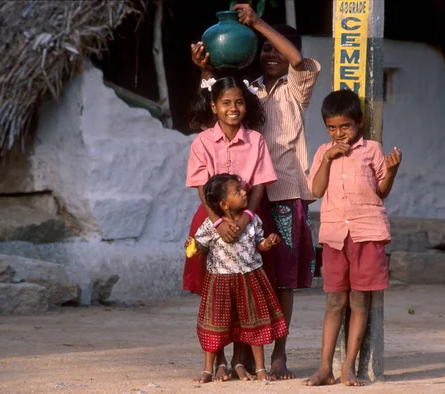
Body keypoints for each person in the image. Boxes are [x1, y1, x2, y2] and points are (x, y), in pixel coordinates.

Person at [190, 3, 321, 379]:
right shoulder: (250, 90)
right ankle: (241, 357)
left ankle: (278, 352)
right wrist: (205, 70)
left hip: (285, 193)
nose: (271, 54)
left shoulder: (296, 87)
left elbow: (298, 59)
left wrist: (258, 23)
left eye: (276, 48)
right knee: (245, 276)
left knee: (282, 277)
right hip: (245, 200)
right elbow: (215, 107)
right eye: (264, 49)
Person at [303, 89, 402, 387]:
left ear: (359, 122)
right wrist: (329, 158)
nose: (339, 133)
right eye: (332, 128)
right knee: (335, 300)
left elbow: (381, 191)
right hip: (334, 236)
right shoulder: (323, 152)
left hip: (367, 232)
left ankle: (349, 367)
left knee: (360, 300)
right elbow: (316, 191)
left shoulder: (372, 149)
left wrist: (392, 171)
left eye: (345, 126)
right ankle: (324, 368)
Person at [184, 76, 278, 381]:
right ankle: (219, 359)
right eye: (226, 103)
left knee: (246, 291)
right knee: (215, 291)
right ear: (214, 106)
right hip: (212, 218)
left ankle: (240, 359)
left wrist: (248, 215)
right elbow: (201, 186)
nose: (233, 108)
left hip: (248, 215)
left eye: (238, 102)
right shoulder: (202, 142)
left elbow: (261, 184)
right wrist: (218, 221)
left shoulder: (256, 141)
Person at [187, 173, 287, 384]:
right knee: (216, 325)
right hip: (220, 282)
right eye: (238, 192)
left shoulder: (252, 221)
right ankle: (208, 368)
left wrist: (267, 244)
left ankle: (260, 368)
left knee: (252, 323)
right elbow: (201, 246)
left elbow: (259, 244)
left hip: (249, 279)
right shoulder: (211, 225)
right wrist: (194, 248)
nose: (244, 193)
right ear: (224, 204)